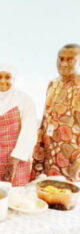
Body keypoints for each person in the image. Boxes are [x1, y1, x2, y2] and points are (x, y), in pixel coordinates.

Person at [0, 65, 38, 186]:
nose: (3, 81)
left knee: (15, 198)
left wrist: (16, 157)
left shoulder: (24, 100)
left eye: (7, 77)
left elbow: (29, 130)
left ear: (14, 80)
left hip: (16, 159)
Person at [32, 44, 80, 180]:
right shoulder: (53, 84)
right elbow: (46, 119)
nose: (64, 64)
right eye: (61, 59)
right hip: (49, 156)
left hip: (73, 160)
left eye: (70, 60)